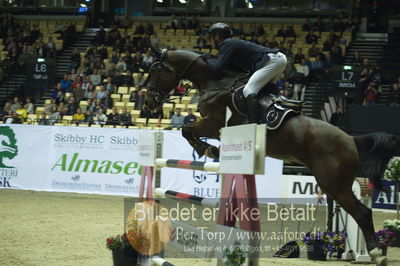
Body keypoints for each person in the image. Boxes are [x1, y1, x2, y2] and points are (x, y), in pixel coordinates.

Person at [206, 23, 287, 124]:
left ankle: (256, 124)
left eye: (210, 37)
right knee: (262, 90)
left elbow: (217, 68)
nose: (209, 41)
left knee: (248, 90)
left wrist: (208, 59)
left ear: (217, 36)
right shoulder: (230, 44)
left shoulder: (227, 44)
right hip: (277, 60)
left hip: (272, 61)